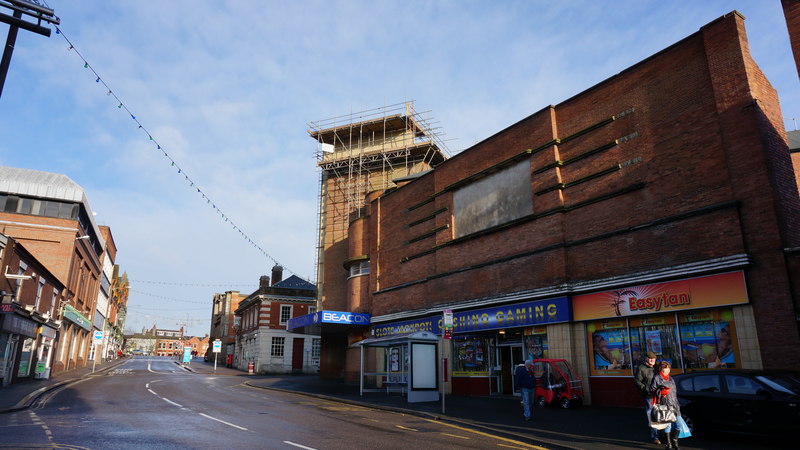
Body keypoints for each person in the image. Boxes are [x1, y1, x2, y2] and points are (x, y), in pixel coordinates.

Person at [649, 361, 681, 450]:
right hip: (664, 405)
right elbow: (652, 390)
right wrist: (660, 392)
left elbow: (674, 392)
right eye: (665, 369)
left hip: (674, 405)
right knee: (668, 425)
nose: (667, 370)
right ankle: (669, 444)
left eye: (668, 368)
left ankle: (674, 441)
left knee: (678, 424)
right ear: (661, 369)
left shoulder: (671, 378)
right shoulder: (657, 378)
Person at [634, 351, 659, 444]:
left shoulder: (657, 367)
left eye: (654, 359)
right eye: (650, 358)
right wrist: (646, 389)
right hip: (649, 396)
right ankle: (655, 436)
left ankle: (664, 433)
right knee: (651, 415)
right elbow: (637, 381)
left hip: (659, 395)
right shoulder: (641, 368)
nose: (652, 360)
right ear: (646, 359)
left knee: (661, 414)